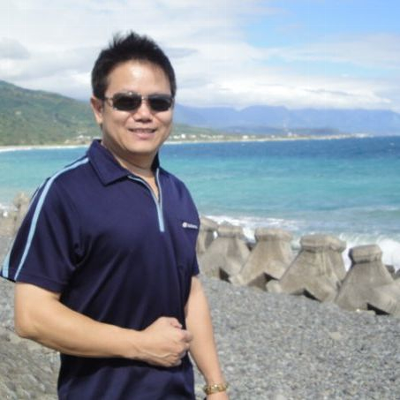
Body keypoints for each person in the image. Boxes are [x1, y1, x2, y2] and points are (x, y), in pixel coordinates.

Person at [1, 32, 228, 400]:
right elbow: (31, 317)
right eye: (126, 101)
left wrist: (216, 385)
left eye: (159, 102)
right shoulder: (65, 192)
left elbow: (191, 293)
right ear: (98, 108)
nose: (144, 113)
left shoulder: (178, 193)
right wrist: (140, 345)